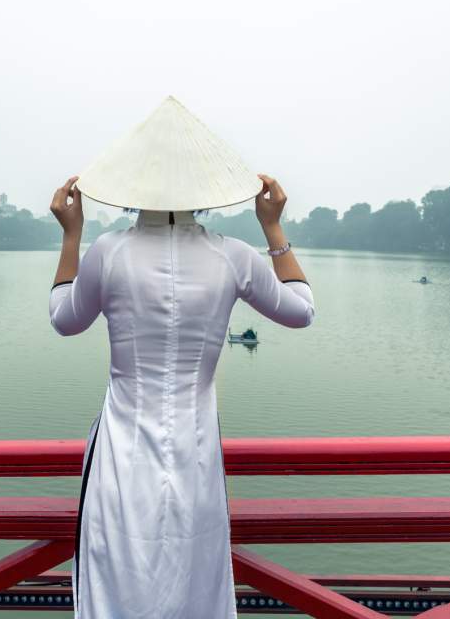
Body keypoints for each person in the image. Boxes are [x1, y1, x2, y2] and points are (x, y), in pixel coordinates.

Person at [47, 96, 315, 618]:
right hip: (195, 454)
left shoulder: (110, 252)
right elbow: (302, 310)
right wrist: (273, 229)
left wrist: (72, 237)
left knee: (116, 576)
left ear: (133, 184)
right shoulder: (231, 255)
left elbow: (64, 319)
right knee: (194, 581)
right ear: (205, 192)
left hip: (121, 454)